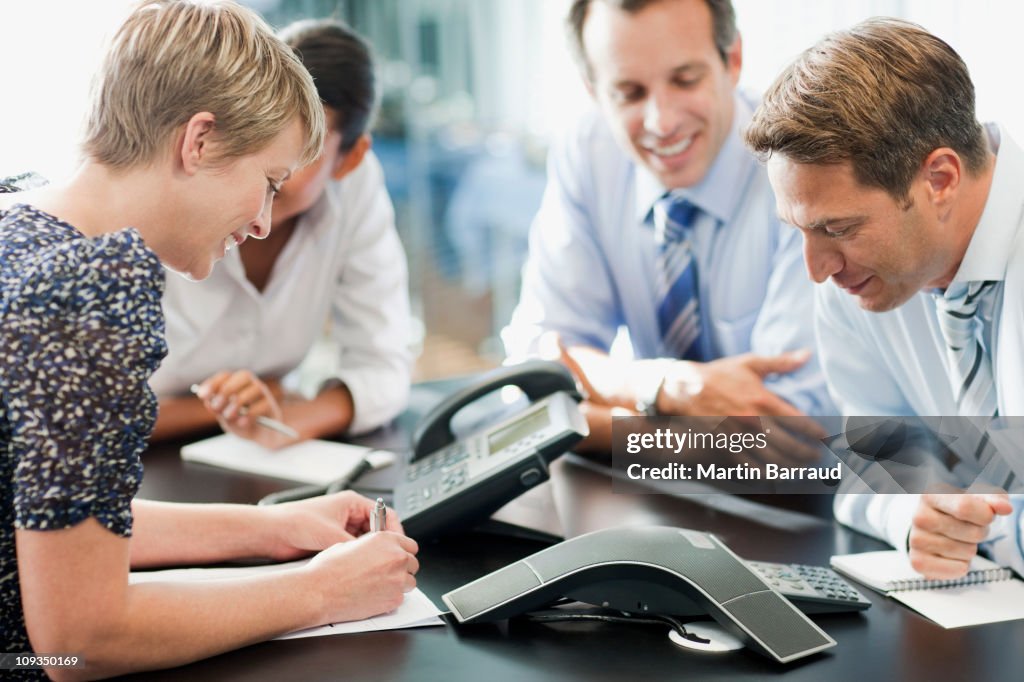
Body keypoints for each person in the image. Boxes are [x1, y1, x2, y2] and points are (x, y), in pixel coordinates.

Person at [0, 3, 417, 679]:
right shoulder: (94, 282)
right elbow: (79, 638)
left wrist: (274, 529)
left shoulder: (20, 224)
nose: (260, 221)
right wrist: (322, 591)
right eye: (268, 182)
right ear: (198, 141)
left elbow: (60, 516)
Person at [744, 18, 1024, 578]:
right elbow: (873, 451)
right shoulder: (865, 281)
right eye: (799, 230)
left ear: (940, 179)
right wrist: (915, 509)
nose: (817, 270)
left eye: (839, 228)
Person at [502, 0, 832, 453]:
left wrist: (587, 418)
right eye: (629, 93)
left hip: (812, 508)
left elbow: (785, 440)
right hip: (651, 499)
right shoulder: (588, 152)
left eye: (685, 80)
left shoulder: (801, 169)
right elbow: (531, 381)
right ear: (594, 91)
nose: (662, 122)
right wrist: (667, 385)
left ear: (732, 59)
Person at [150, 18, 411, 449]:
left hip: (255, 455)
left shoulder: (355, 189)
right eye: (262, 134)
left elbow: (384, 364)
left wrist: (291, 421)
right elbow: (87, 414)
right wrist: (240, 404)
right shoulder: (179, 183)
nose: (273, 164)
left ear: (349, 159)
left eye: (306, 149)